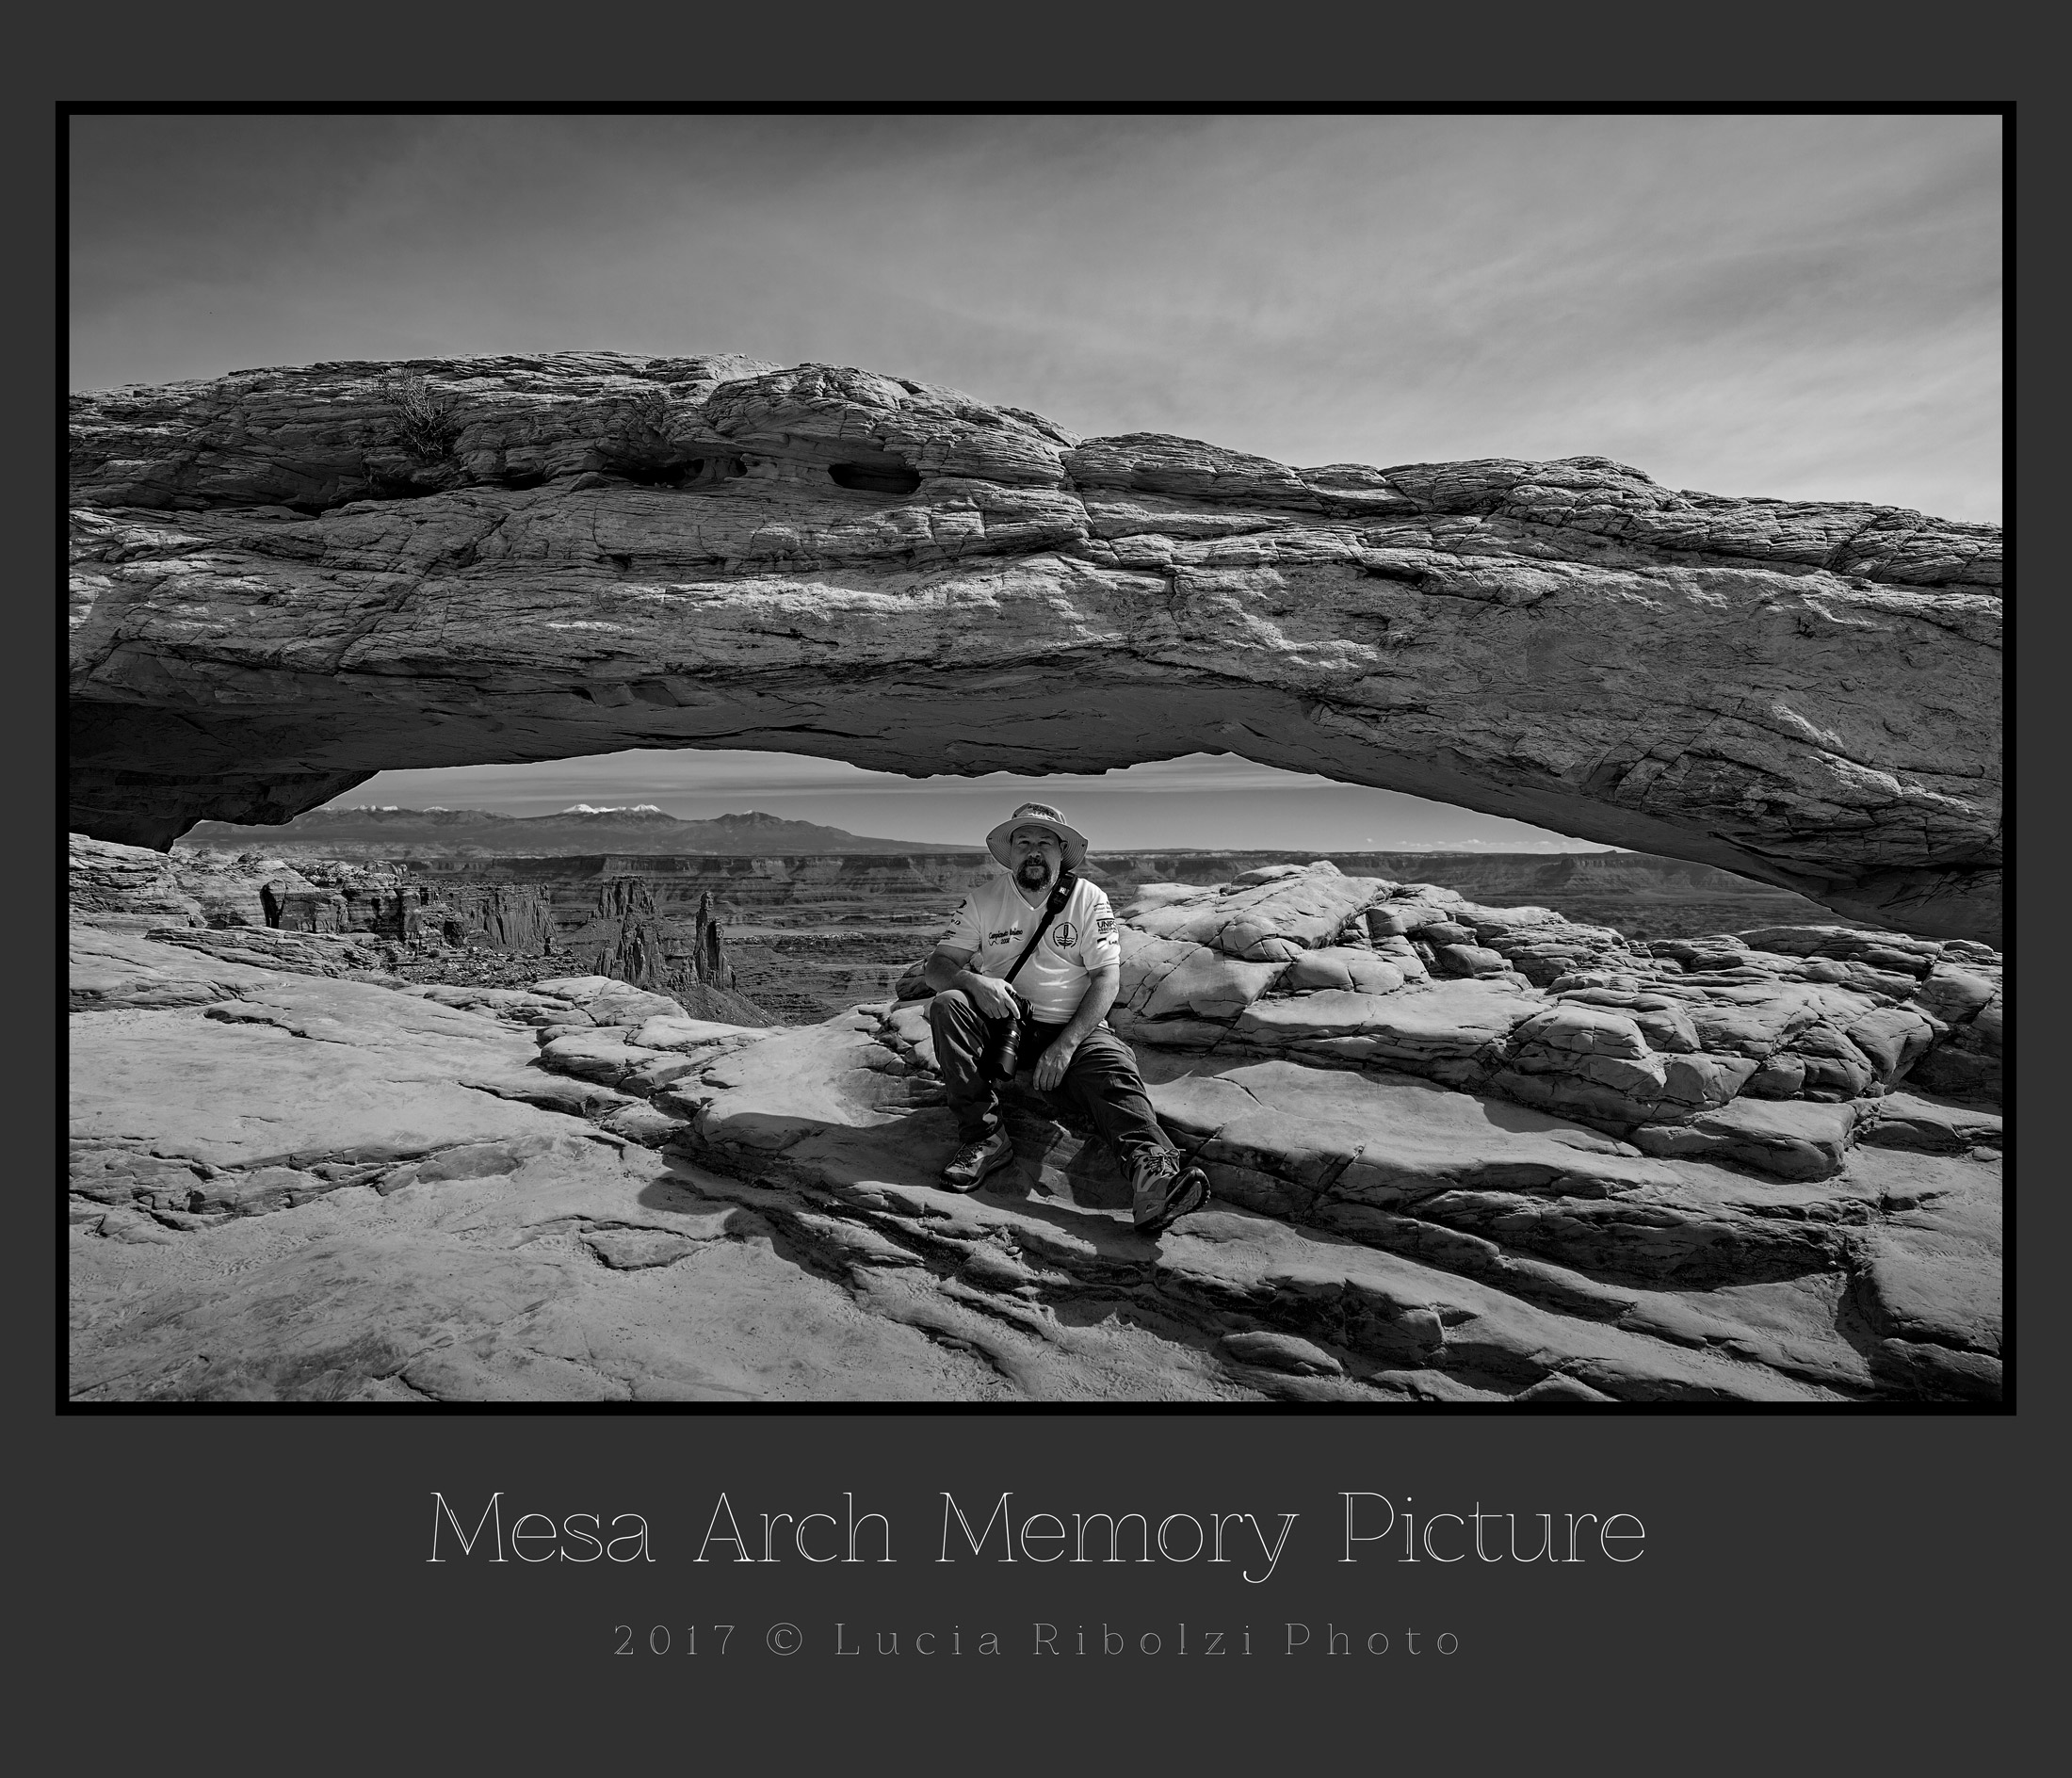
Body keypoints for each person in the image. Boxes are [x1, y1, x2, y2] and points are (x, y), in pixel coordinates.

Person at [922, 800, 1211, 1236]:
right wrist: (976, 982)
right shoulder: (983, 901)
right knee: (947, 1005)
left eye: (1045, 842)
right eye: (1024, 841)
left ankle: (1152, 1177)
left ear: (1061, 852)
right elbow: (937, 965)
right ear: (1011, 851)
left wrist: (1066, 1045)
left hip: (1072, 1025)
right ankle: (984, 1136)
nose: (1034, 850)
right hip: (1003, 1024)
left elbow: (1106, 979)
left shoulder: (1088, 899)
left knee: (1113, 1069)